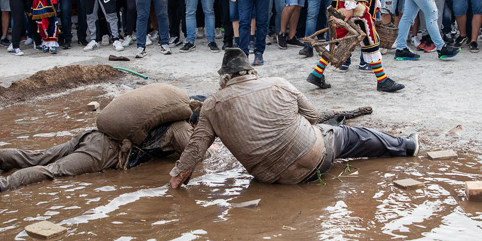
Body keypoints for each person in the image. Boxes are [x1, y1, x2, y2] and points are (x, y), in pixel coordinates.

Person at [168, 48, 419, 188]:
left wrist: (176, 180)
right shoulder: (279, 83)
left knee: (332, 134)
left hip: (273, 180)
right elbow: (314, 116)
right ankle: (407, 146)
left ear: (225, 79)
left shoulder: (211, 105)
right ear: (252, 72)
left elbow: (195, 149)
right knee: (353, 135)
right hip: (315, 158)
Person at [0, 110, 194, 202]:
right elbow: (193, 156)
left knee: (37, 157)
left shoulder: (159, 112)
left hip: (91, 135)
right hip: (103, 150)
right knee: (54, 171)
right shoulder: (181, 127)